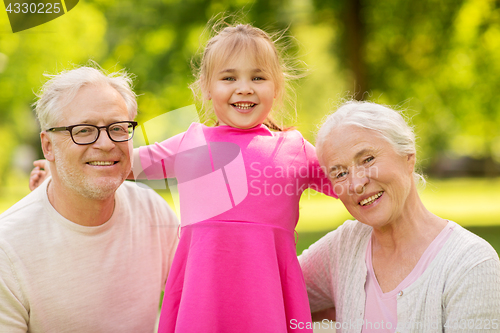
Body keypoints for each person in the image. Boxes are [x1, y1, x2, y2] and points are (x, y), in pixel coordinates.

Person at [131, 23, 336, 332]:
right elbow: (120, 163)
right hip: (202, 301)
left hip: (268, 301)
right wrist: (57, 170)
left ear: (276, 86)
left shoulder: (294, 149)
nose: (244, 88)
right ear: (207, 87)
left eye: (258, 77)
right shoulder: (191, 142)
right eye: (229, 78)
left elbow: (351, 183)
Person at [0, 66, 179, 332]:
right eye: (83, 130)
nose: (106, 144)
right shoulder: (7, 250)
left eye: (117, 128)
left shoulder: (152, 211)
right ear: (48, 146)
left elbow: (203, 295)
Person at [298, 101, 500, 332]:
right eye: (340, 173)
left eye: (368, 160)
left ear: (408, 156)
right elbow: (268, 293)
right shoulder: (345, 246)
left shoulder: (471, 263)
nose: (356, 184)